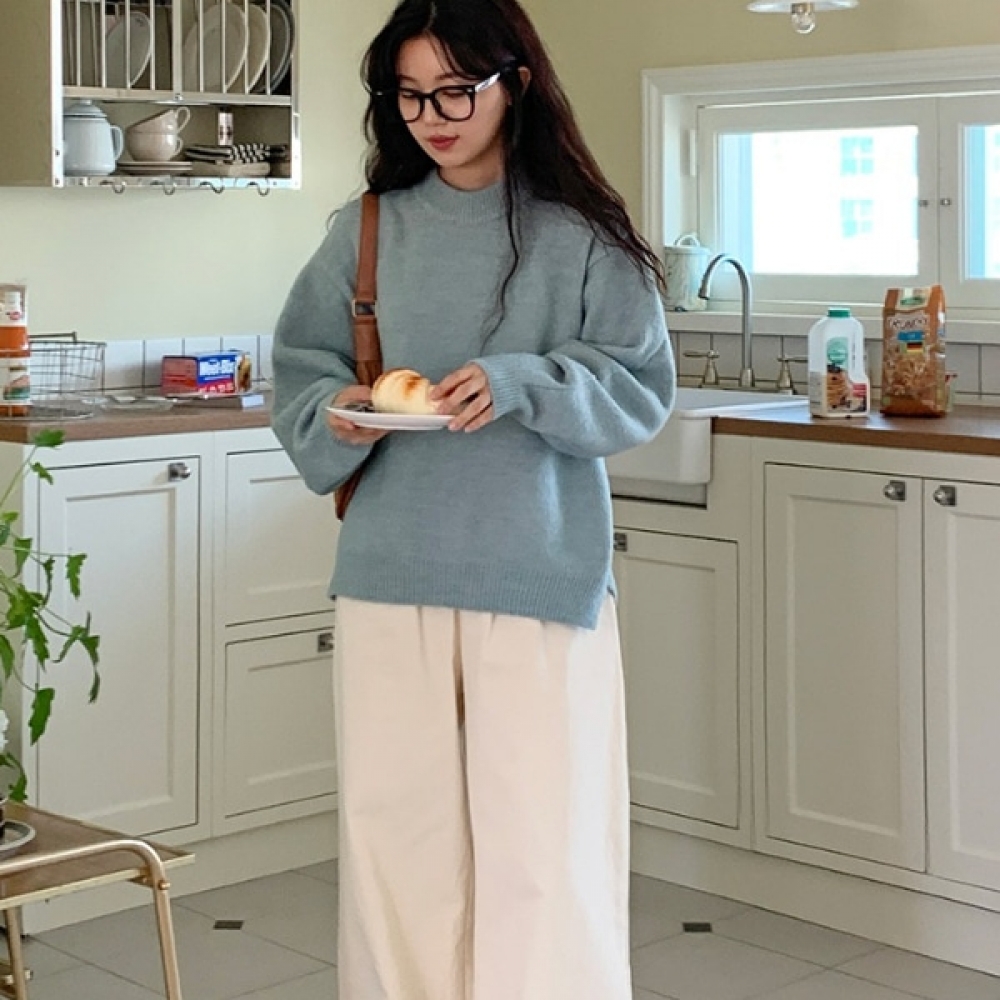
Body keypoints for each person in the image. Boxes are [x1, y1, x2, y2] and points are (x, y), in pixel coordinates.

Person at [271, 0, 675, 996]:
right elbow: (302, 373)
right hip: (389, 572)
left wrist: (523, 380)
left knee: (545, 851)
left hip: (538, 576)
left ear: (515, 85)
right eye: (409, 95)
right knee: (395, 849)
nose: (431, 117)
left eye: (455, 91)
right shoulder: (365, 229)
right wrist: (340, 411)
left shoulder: (583, 236)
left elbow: (638, 390)